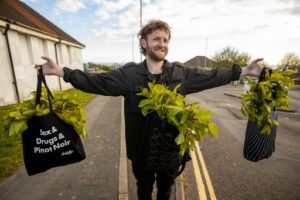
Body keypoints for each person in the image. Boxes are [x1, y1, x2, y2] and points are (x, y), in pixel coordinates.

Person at [36, 19, 263, 200]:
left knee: (166, 191)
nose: (162, 44)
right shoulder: (129, 75)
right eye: (156, 39)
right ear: (144, 43)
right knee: (144, 191)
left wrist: (242, 70)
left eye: (165, 40)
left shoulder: (179, 73)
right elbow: (97, 82)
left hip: (172, 153)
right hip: (142, 153)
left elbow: (212, 76)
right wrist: (62, 72)